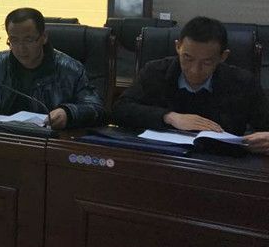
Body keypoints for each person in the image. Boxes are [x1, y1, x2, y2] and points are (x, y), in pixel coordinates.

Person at [113, 16, 269, 153]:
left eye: (206, 62)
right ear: (178, 47)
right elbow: (120, 110)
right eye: (188, 58)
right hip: (163, 159)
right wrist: (169, 117)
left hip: (221, 165)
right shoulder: (155, 72)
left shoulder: (243, 83)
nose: (195, 70)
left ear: (223, 56)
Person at [0, 8, 104, 129]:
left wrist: (68, 113)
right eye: (14, 40)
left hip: (47, 142)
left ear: (43, 37)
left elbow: (95, 107)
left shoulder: (71, 70)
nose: (21, 48)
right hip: (1, 137)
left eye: (28, 40)